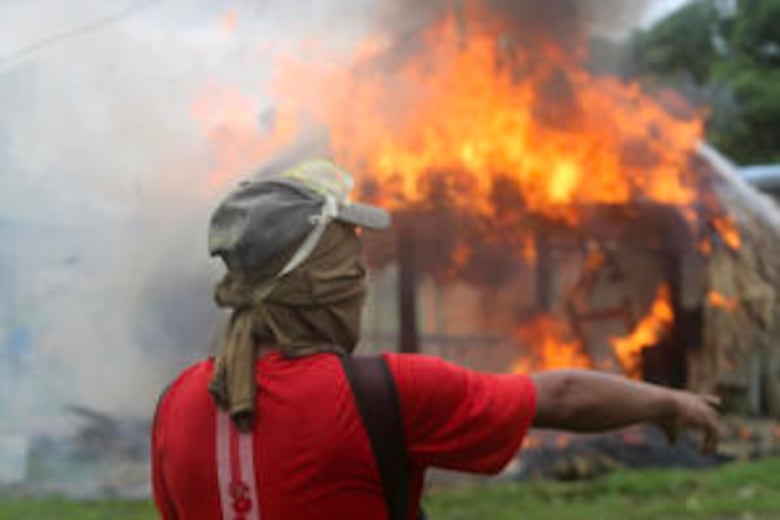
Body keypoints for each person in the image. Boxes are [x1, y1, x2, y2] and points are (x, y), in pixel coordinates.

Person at [151, 158, 720, 520]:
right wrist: (669, 400)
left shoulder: (175, 405)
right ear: (334, 288)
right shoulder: (385, 394)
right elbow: (562, 396)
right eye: (356, 268)